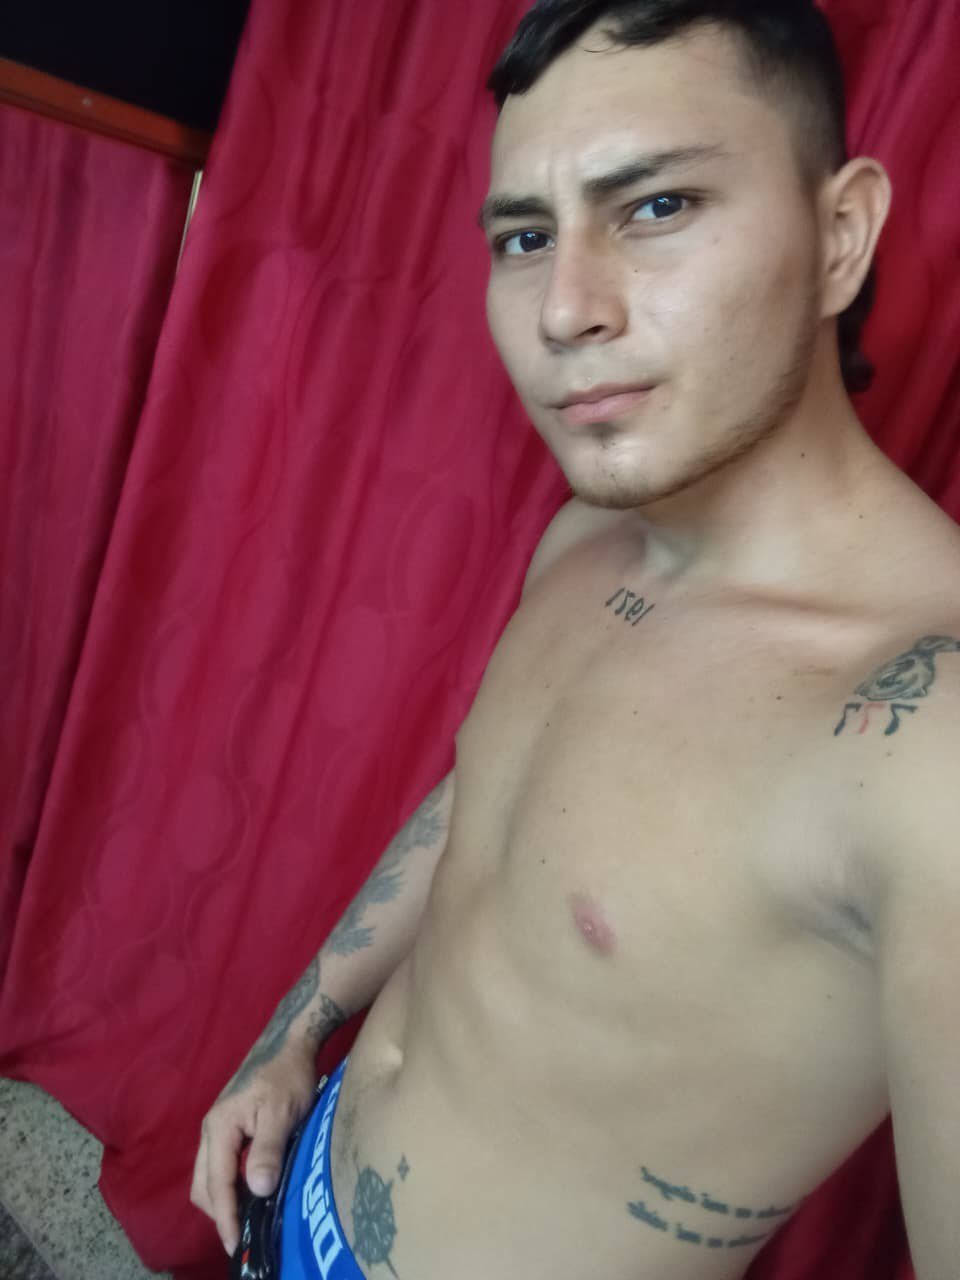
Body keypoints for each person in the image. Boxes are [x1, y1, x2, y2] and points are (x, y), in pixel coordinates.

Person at [191, 1, 960, 1276]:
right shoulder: (589, 535)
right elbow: (484, 799)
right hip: (298, 1183)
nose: (563, 309)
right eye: (525, 236)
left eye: (655, 205)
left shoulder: (927, 743)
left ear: (840, 235)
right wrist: (296, 1032)